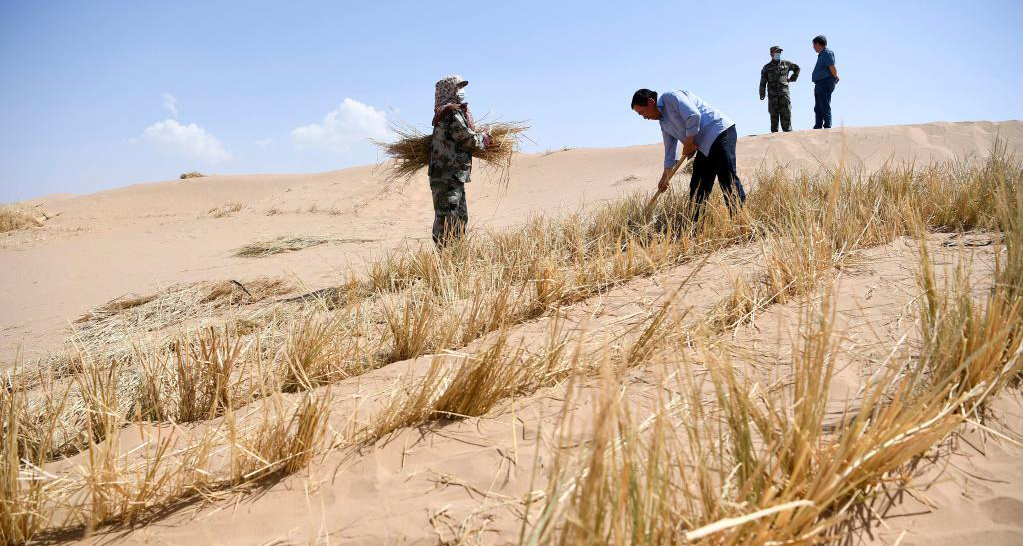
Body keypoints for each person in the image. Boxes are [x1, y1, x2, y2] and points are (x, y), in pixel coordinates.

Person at [631, 88, 746, 223]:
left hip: (719, 132)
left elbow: (693, 116)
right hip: (703, 145)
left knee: (727, 178)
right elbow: (670, 150)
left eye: (642, 113)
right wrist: (665, 177)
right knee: (697, 187)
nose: (644, 118)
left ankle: (741, 222)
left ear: (651, 101)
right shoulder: (663, 123)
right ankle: (695, 228)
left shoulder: (671, 97)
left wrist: (689, 142)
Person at [428, 75, 492, 246]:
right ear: (448, 90)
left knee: (458, 218)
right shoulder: (450, 113)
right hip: (447, 176)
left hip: (452, 176)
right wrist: (484, 138)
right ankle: (445, 260)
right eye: (458, 88)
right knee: (448, 219)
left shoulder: (443, 113)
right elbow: (467, 140)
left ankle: (455, 258)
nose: (461, 92)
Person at [759, 45, 800, 132]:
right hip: (773, 96)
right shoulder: (766, 67)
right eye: (776, 52)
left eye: (779, 52)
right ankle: (775, 137)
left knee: (786, 114)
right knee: (774, 116)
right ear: (771, 54)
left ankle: (788, 134)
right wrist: (762, 93)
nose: (778, 53)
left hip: (784, 95)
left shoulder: (786, 64)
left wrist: (793, 78)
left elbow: (797, 68)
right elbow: (763, 82)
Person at [811, 35, 839, 129]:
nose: (813, 47)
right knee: (818, 106)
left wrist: (835, 77)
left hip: (825, 82)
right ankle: (818, 126)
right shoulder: (822, 54)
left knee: (824, 104)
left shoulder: (827, 53)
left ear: (818, 44)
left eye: (814, 45)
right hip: (819, 83)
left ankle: (827, 125)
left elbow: (832, 66)